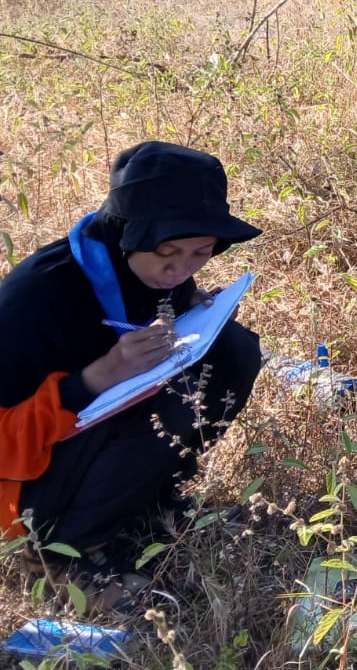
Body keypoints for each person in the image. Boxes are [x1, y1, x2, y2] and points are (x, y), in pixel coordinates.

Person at [0, 141, 264, 613]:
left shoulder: (157, 274)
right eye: (168, 252)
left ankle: (148, 506)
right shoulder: (36, 297)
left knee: (234, 351)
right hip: (19, 493)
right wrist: (94, 379)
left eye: (200, 253)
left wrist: (197, 313)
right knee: (174, 400)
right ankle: (62, 553)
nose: (181, 269)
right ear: (126, 233)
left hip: (87, 446)